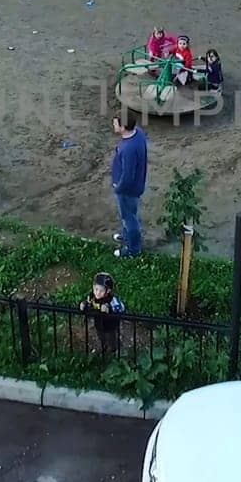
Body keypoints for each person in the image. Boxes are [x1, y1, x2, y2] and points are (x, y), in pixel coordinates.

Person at [110, 112, 147, 258]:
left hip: (127, 190)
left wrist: (118, 188)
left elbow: (128, 176)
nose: (113, 125)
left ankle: (133, 249)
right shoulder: (138, 134)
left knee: (129, 218)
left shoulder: (128, 149)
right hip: (136, 186)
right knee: (128, 216)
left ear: (123, 127)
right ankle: (127, 237)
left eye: (116, 123)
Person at [78, 271, 125, 355]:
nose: (98, 293)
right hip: (99, 323)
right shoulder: (92, 297)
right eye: (96, 289)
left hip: (110, 325)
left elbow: (121, 308)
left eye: (101, 290)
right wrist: (84, 305)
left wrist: (109, 309)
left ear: (108, 291)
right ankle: (104, 347)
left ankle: (115, 351)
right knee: (101, 336)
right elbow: (89, 305)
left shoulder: (111, 300)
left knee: (111, 338)